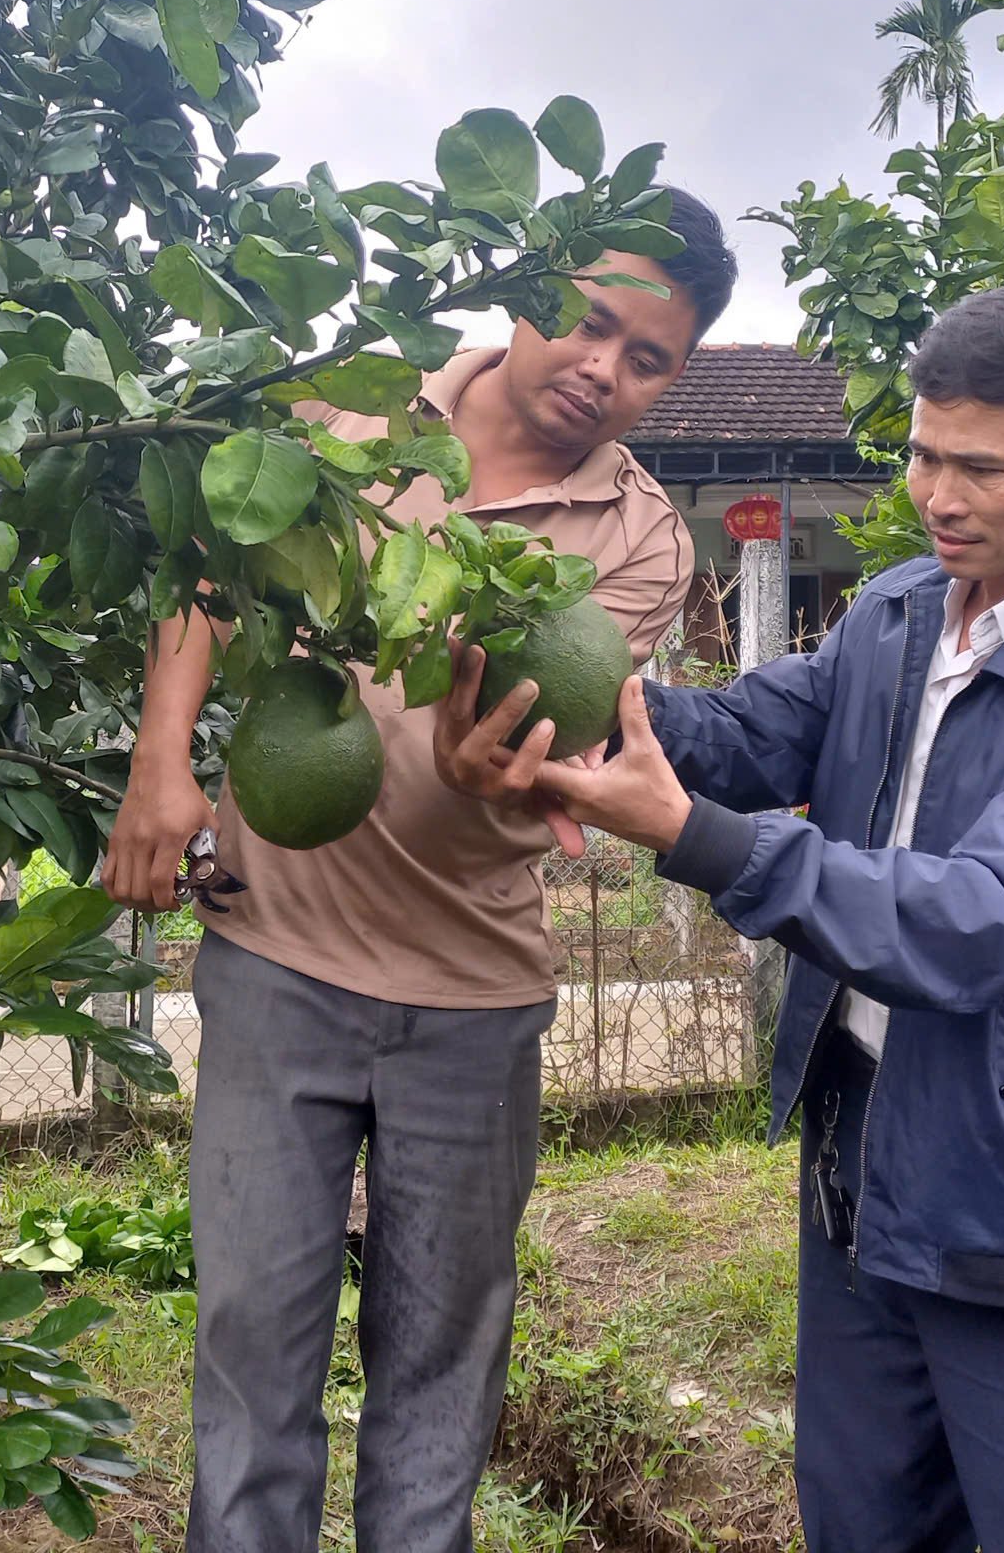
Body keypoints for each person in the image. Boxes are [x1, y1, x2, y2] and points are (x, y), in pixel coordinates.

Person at [447, 283, 1004, 1553]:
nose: (938, 495)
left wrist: (694, 838)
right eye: (919, 455)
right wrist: (587, 701)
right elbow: (753, 732)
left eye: (981, 467)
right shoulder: (905, 608)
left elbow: (983, 922)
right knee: (863, 1520)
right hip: (861, 1157)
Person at [103, 192, 738, 1553]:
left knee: (440, 1375)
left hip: (472, 994)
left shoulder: (640, 544)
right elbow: (211, 576)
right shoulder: (354, 413)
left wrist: (484, 775)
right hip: (278, 959)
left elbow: (551, 741)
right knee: (250, 1353)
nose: (602, 369)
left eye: (647, 358)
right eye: (588, 321)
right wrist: (166, 759)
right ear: (526, 287)